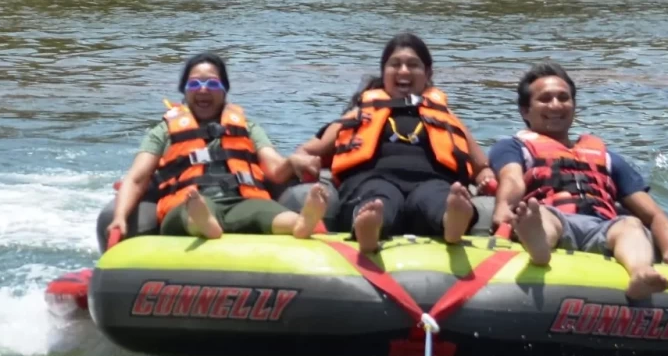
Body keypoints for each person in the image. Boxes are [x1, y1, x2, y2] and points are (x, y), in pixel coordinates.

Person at [291, 33, 493, 260]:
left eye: (413, 65)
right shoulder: (359, 114)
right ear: (384, 72)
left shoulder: (445, 116)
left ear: (428, 74)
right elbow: (308, 150)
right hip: (372, 180)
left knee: (437, 197)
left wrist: (485, 177)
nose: (404, 71)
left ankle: (452, 220)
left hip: (432, 181)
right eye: (395, 64)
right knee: (378, 198)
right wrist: (301, 160)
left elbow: (481, 165)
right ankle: (369, 226)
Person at [491, 62, 668, 300]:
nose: (556, 105)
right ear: (525, 110)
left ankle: (640, 272)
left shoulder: (607, 158)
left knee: (631, 226)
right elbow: (512, 180)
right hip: (552, 216)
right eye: (545, 99)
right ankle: (539, 248)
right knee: (541, 216)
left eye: (564, 98)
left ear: (574, 106)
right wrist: (502, 209)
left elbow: (655, 215)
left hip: (602, 227)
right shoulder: (513, 147)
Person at [107, 54, 328, 244]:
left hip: (240, 201)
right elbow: (136, 178)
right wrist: (119, 217)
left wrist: (293, 161)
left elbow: (275, 168)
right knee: (192, 211)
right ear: (184, 92)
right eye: (194, 84)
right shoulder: (163, 131)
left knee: (264, 212)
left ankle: (300, 223)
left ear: (224, 91)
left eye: (212, 84)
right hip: (188, 201)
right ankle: (203, 224)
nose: (203, 89)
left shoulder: (248, 127)